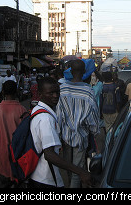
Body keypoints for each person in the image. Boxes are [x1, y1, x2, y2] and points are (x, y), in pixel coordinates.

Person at [30, 76, 92, 188]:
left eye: (57, 92)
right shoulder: (45, 119)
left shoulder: (39, 110)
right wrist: (80, 171)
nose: (55, 96)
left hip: (38, 175)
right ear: (40, 94)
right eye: (50, 93)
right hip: (46, 179)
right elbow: (49, 154)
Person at [56, 60, 99, 188]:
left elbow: (58, 115)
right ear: (84, 72)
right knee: (77, 171)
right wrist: (95, 131)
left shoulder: (62, 89)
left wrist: (58, 134)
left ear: (71, 71)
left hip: (65, 135)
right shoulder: (88, 91)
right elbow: (93, 116)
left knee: (69, 167)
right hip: (81, 136)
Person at [0, 80, 26, 188]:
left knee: (3, 183)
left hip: (3, 154)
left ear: (3, 92)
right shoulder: (21, 110)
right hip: (19, 155)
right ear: (16, 92)